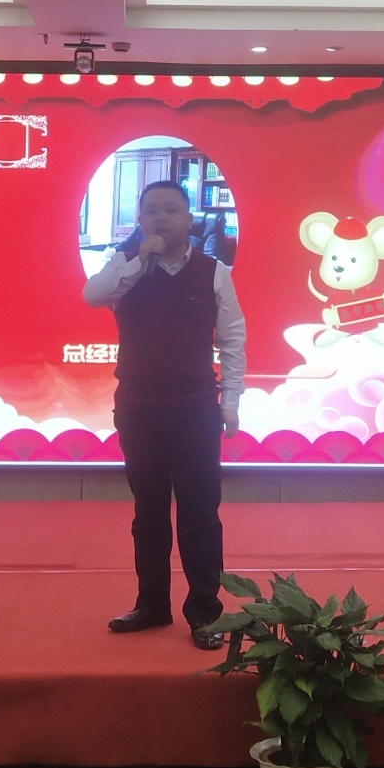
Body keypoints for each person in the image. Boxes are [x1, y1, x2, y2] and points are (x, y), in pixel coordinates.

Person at [83, 179, 244, 651]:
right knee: (148, 512)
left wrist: (231, 402)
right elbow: (93, 294)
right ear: (140, 219)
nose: (161, 217)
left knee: (199, 513)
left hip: (195, 407)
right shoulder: (125, 265)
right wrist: (138, 258)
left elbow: (232, 338)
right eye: (152, 209)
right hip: (139, 407)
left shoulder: (213, 271)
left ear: (189, 220)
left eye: (171, 209)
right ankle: (152, 605)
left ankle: (205, 614)